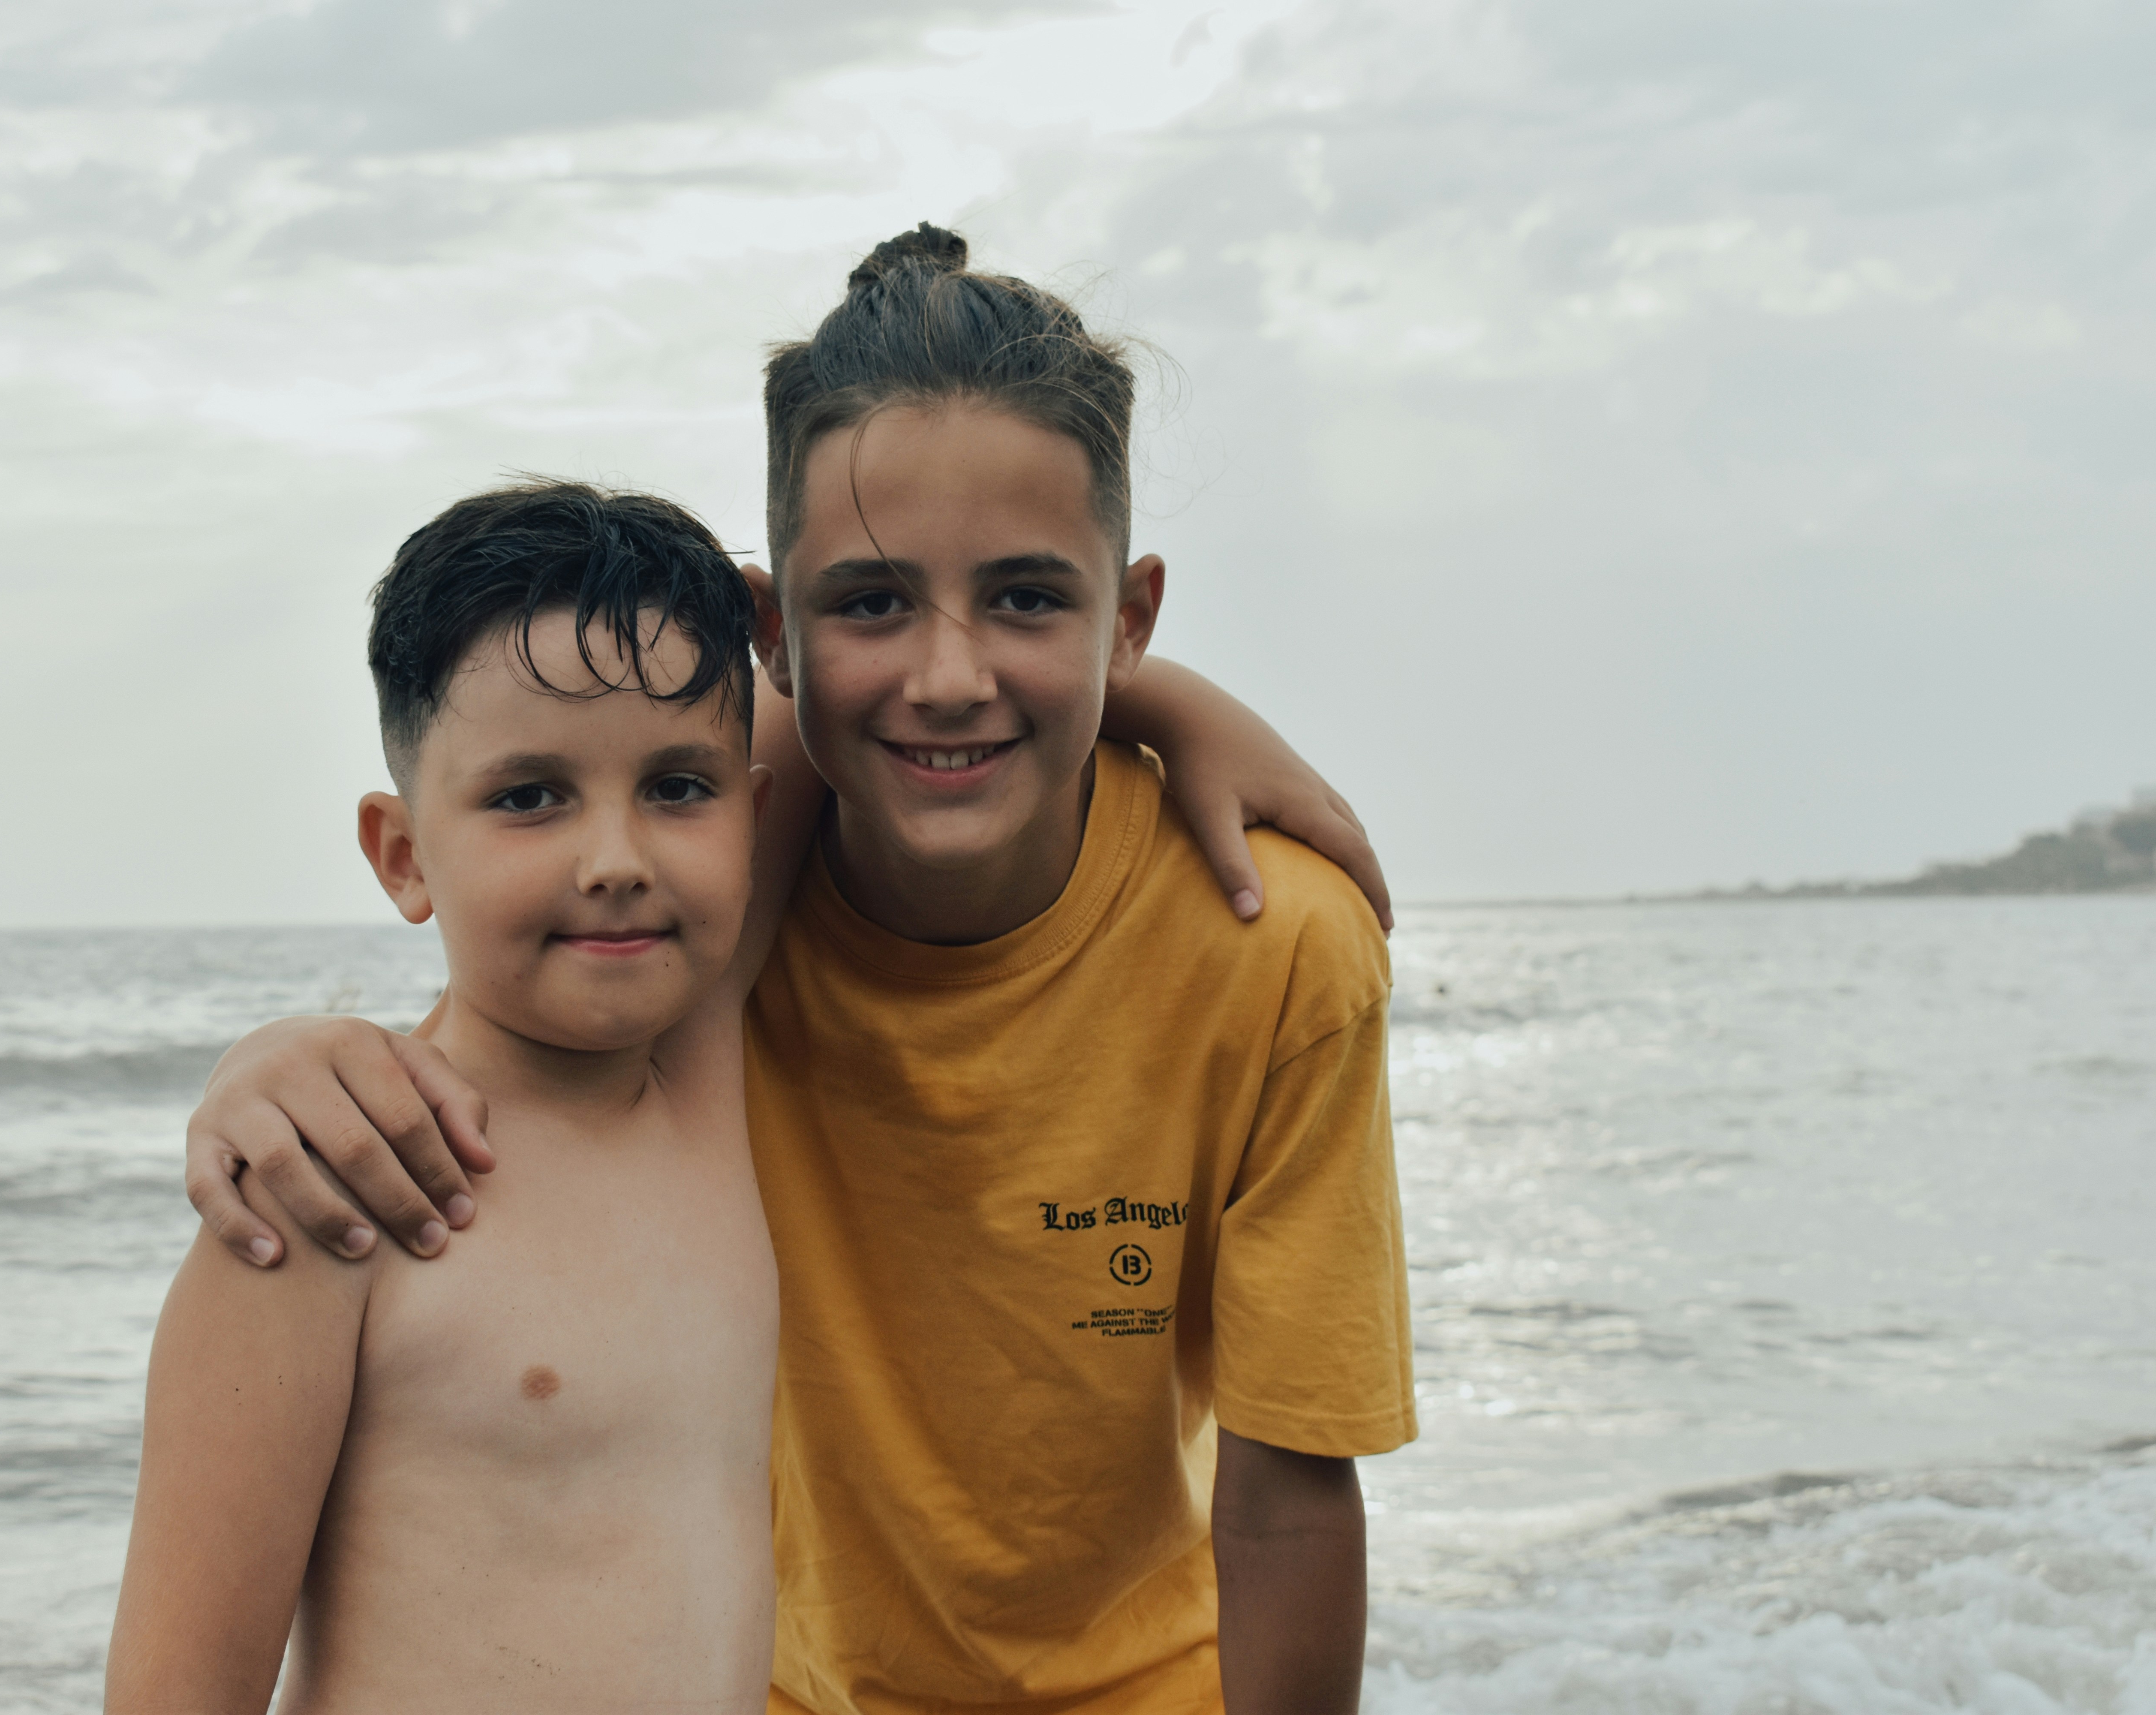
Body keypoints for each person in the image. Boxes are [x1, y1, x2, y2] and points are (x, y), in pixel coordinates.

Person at [186, 226, 1414, 1714]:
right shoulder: (728, 883)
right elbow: (532, 930)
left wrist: (1157, 706)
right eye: (872, 603)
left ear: (1130, 612)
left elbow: (1289, 1500)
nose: (947, 676)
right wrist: (287, 1056)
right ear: (779, 629)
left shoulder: (1272, 945)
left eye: (1031, 598)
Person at [106, 483, 795, 1713]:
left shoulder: (704, 1076)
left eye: (681, 788)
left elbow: (929, 690)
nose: (618, 860)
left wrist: (1189, 711)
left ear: (753, 811)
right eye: (529, 796)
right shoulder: (338, 1187)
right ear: (404, 854)